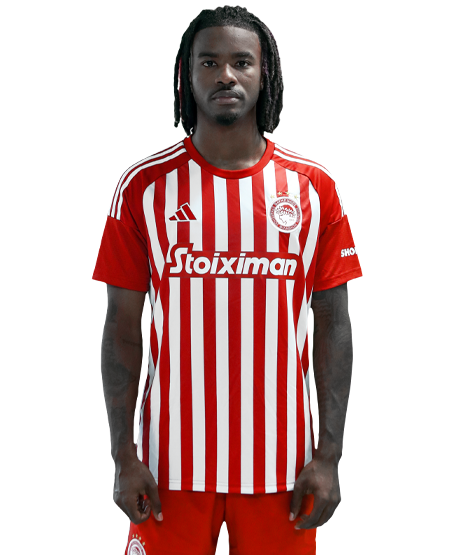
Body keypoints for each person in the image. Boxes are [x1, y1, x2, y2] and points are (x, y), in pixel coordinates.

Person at [92, 5, 363, 554]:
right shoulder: (144, 187)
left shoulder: (313, 188)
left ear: (266, 74)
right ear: (186, 74)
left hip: (283, 468)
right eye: (209, 62)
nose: (225, 76)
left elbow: (334, 328)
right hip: (169, 467)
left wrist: (329, 456)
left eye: (242, 62)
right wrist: (123, 456)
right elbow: (121, 331)